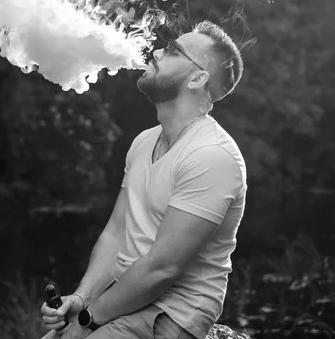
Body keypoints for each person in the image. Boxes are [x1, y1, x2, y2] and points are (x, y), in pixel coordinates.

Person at [40, 21, 247, 339]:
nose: (156, 50)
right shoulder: (144, 141)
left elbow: (160, 270)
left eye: (174, 50)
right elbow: (116, 233)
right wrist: (82, 298)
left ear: (197, 77)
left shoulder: (211, 156)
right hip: (126, 300)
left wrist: (87, 320)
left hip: (171, 314)